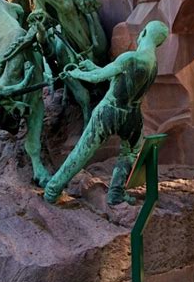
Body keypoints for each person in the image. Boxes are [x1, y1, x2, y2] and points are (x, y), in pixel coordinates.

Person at [44, 20, 169, 205]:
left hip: (109, 112)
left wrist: (75, 74)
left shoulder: (130, 58)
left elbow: (98, 78)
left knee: (81, 153)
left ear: (143, 33)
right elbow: (111, 76)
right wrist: (90, 66)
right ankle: (116, 193)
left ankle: (52, 191)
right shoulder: (152, 65)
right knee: (130, 151)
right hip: (133, 117)